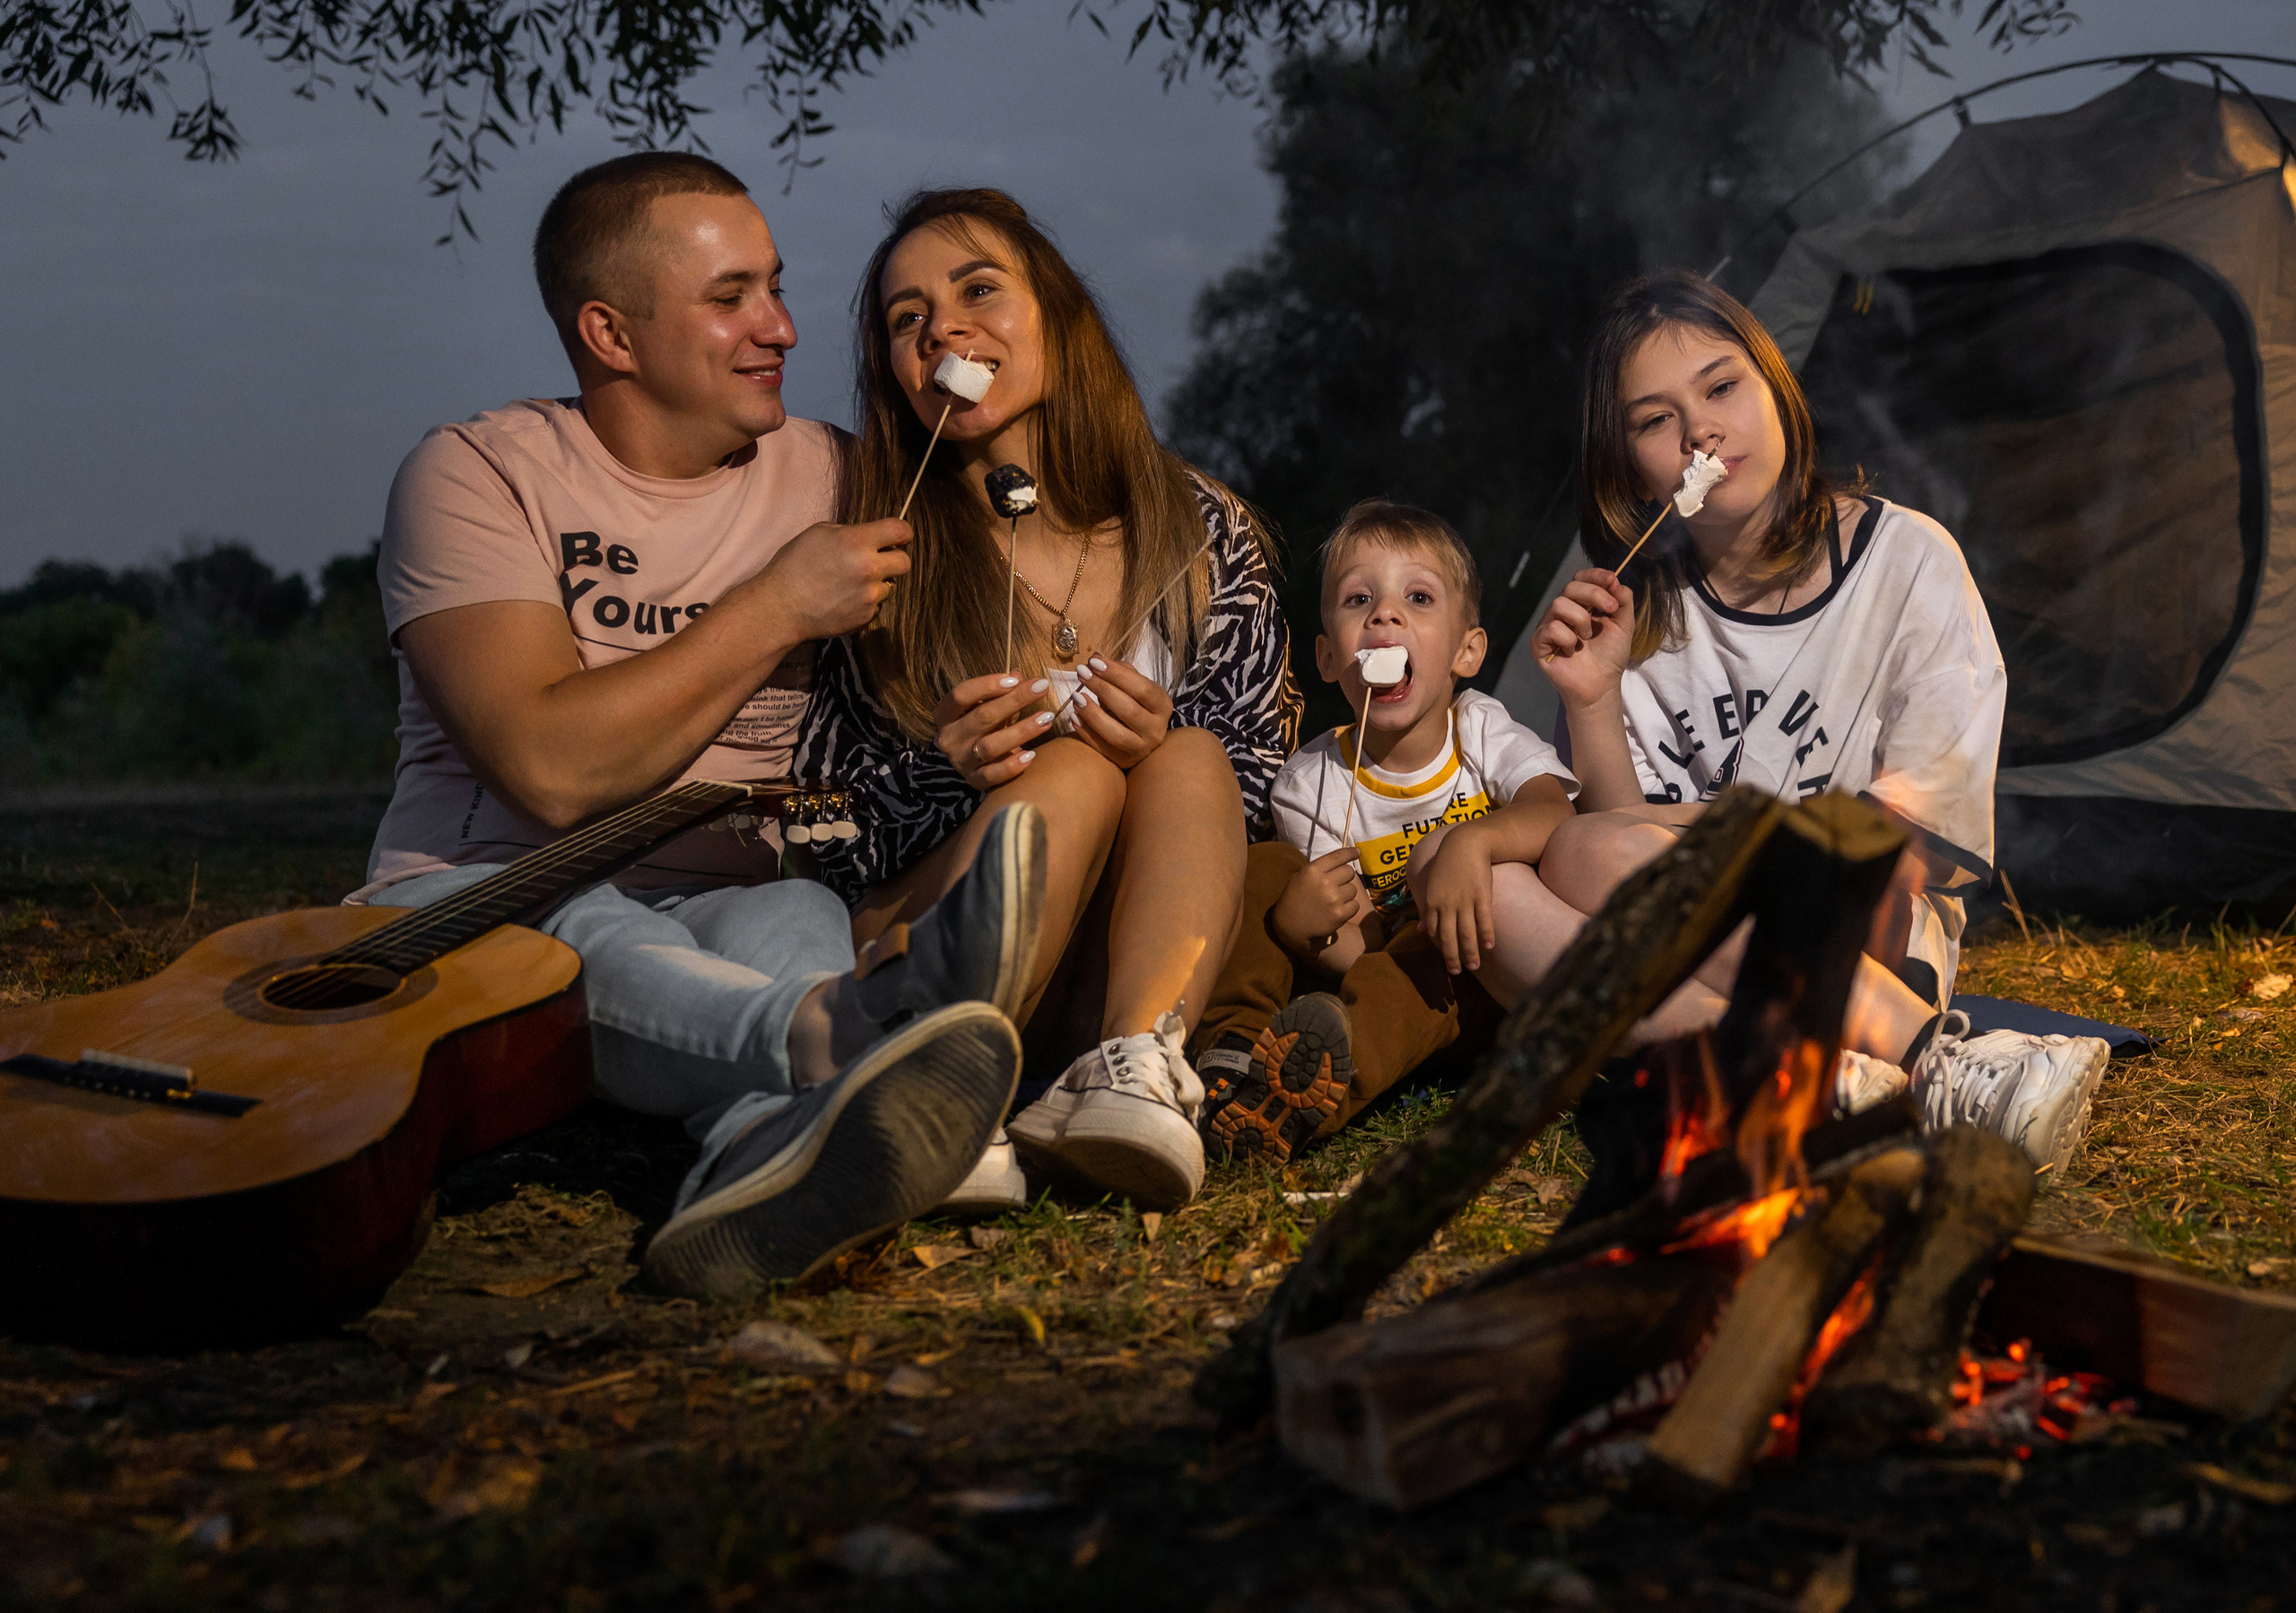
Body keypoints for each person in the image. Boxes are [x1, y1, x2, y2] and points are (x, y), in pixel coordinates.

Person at [349, 153, 1045, 1297]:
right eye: (731, 299)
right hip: (487, 887)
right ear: (612, 336)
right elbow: (550, 770)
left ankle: (748, 1174)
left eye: (774, 286)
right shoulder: (474, 473)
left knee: (792, 906)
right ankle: (850, 1044)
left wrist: (964, 737)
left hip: (734, 886)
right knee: (606, 934)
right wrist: (776, 606)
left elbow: (1018, 512)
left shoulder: (833, 471)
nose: (779, 327)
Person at [1527, 269, 2110, 1170]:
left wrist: (1726, 835)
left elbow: (1902, 841)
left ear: (1775, 390)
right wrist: (1593, 700)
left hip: (1857, 927)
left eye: (1721, 387)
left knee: (1574, 858)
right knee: (1501, 903)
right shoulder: (1630, 618)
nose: (1700, 433)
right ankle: (1818, 1074)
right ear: (1629, 468)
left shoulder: (1907, 561)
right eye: (1654, 420)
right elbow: (1616, 847)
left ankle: (1929, 1053)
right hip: (1678, 936)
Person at [796, 188, 1300, 1212]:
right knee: (1074, 768)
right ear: (895, 378)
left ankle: (1134, 1074)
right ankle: (941, 1089)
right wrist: (942, 772)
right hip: (928, 949)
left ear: (1060, 316)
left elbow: (1263, 780)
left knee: (1187, 754)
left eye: (979, 289)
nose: (943, 328)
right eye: (906, 320)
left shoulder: (1199, 529)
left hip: (1123, 956)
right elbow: (813, 833)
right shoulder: (880, 556)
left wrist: (1162, 742)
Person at [1189, 501, 1578, 1163]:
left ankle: (1305, 1102)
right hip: (1369, 972)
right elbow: (1359, 953)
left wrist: (1472, 843)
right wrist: (1301, 927)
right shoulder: (1307, 781)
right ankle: (1229, 1059)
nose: (1384, 615)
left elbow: (1556, 813)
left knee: (1439, 943)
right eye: (1358, 600)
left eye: (1418, 598)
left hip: (1470, 985)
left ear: (1467, 651)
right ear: (1329, 658)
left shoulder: (1480, 728)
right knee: (1268, 869)